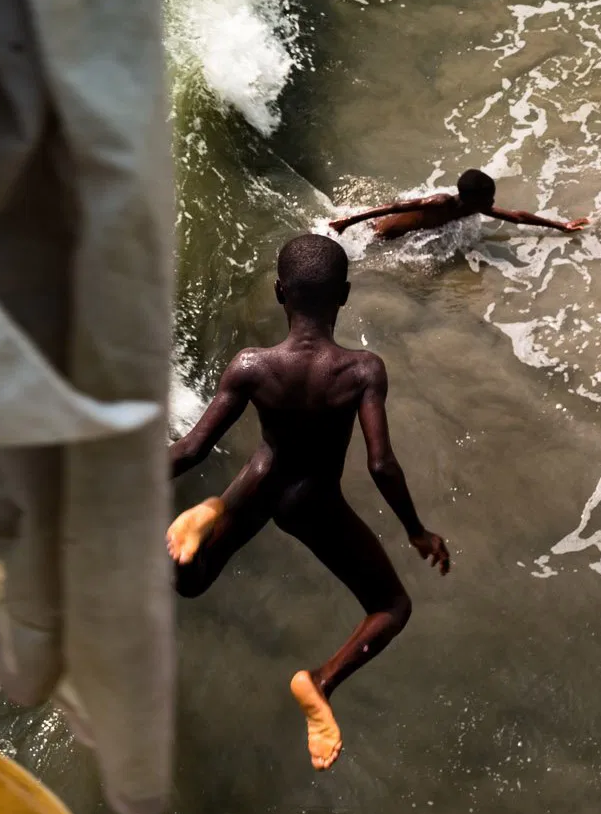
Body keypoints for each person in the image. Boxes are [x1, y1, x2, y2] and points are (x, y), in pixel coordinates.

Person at [165, 234, 450, 770]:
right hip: (312, 499)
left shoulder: (251, 365)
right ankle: (320, 682)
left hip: (260, 482)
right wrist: (416, 528)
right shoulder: (362, 370)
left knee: (190, 578)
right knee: (392, 608)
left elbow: (190, 449)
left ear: (280, 292)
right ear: (344, 295)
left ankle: (205, 513)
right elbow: (381, 464)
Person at [329, 169, 588, 240]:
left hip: (408, 230)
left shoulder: (474, 206)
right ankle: (339, 224)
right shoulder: (440, 202)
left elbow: (517, 217)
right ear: (474, 199)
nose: (493, 202)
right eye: (489, 198)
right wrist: (349, 221)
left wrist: (561, 225)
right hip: (387, 231)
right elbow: (395, 208)